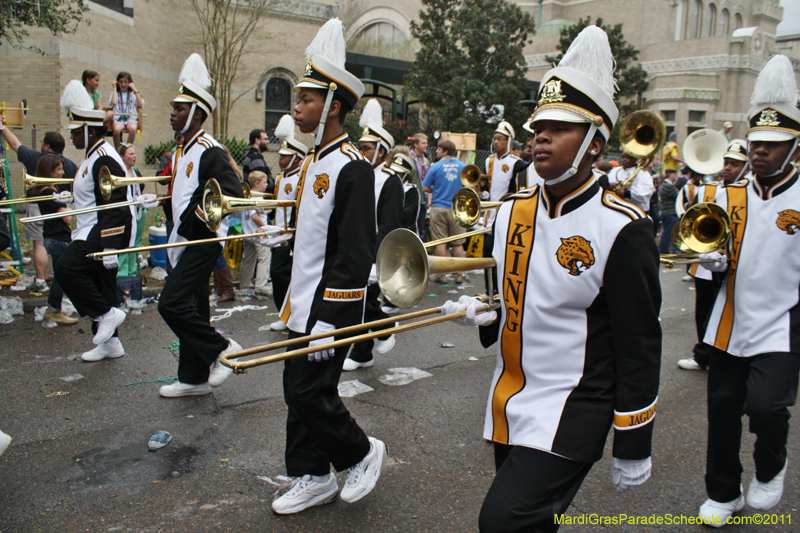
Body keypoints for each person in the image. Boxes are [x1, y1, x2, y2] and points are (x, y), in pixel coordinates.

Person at [442, 26, 661, 532]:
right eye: (538, 125)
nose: (540, 135)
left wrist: (633, 438)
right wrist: (487, 312)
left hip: (575, 405)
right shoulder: (511, 211)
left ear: (594, 143)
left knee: (502, 522)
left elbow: (641, 343)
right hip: (510, 396)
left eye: (559, 127)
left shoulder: (623, 227)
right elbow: (512, 298)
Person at [270, 18, 386, 514]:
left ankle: (361, 452)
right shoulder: (313, 161)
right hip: (302, 301)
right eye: (297, 98)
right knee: (295, 393)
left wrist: (327, 319)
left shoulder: (352, 166)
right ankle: (311, 475)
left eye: (306, 99)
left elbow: (355, 254)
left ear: (333, 106)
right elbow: (316, 236)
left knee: (309, 391)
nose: (297, 107)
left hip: (331, 307)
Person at [695, 54, 800, 526]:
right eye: (756, 142)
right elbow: (710, 252)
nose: (760, 151)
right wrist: (712, 261)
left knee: (767, 407)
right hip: (729, 321)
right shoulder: (726, 195)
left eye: (773, 145)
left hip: (782, 324)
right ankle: (723, 492)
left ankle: (771, 465)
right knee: (721, 412)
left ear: (795, 147)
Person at [156, 54, 244, 398]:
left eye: (179, 108)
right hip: (181, 240)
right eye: (174, 107)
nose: (173, 113)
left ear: (196, 113)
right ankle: (193, 378)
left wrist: (194, 221)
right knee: (193, 308)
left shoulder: (210, 149)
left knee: (171, 304)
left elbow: (230, 193)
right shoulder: (181, 152)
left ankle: (223, 348)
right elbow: (184, 195)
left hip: (202, 242)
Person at [53, 80, 142, 362]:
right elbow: (92, 195)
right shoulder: (91, 157)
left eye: (77, 132)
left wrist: (111, 246)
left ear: (90, 131)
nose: (73, 138)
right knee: (102, 284)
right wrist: (70, 198)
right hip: (90, 227)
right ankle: (111, 344)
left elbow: (117, 203)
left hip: (101, 230)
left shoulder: (104, 157)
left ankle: (106, 314)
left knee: (67, 269)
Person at [677, 140, 750, 372]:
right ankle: (703, 355)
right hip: (710, 260)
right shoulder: (706, 190)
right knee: (704, 309)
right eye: (726, 163)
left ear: (746, 168)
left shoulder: (750, 194)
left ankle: (728, 355)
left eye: (735, 164)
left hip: (738, 262)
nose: (728, 168)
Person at [344, 100, 403, 371]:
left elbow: (390, 224)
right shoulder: (360, 173)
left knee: (363, 300)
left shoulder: (390, 179)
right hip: (356, 245)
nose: (361, 151)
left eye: (366, 147)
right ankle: (365, 350)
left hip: (375, 249)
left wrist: (377, 259)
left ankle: (382, 329)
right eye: (360, 146)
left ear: (381, 151)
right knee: (357, 300)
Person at [0, 122, 77, 291]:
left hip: (40, 206)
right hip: (62, 208)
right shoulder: (71, 165)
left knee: (40, 245)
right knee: (58, 245)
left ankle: (41, 281)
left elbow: (14, 144)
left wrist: (3, 127)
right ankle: (59, 284)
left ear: (46, 146)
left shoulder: (37, 158)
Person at [265, 114, 308, 332]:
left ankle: (291, 315)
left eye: (285, 157)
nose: (280, 159)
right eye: (281, 156)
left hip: (291, 236)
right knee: (278, 276)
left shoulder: (301, 178)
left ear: (297, 159)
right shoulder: (281, 178)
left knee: (288, 277)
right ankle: (285, 313)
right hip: (278, 235)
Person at [482, 121, 527, 294]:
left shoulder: (518, 163)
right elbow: (485, 183)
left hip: (506, 214)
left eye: (500, 139)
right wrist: (484, 192)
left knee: (503, 257)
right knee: (487, 256)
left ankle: (502, 291)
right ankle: (489, 291)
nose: (496, 142)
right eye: (494, 139)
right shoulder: (488, 161)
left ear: (508, 141)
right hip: (488, 216)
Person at [32, 155, 78, 325]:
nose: (62, 172)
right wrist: (69, 208)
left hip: (54, 238)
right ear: (50, 172)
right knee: (63, 276)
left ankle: (54, 308)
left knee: (62, 274)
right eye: (59, 169)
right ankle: (54, 310)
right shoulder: (49, 192)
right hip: (58, 238)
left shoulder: (47, 192)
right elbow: (66, 218)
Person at [423, 140, 467, 283]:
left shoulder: (435, 166)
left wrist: (435, 189)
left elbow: (424, 188)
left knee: (440, 242)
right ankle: (460, 274)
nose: (436, 151)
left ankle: (442, 275)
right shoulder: (463, 167)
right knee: (458, 243)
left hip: (438, 207)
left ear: (445, 151)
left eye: (439, 149)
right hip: (457, 208)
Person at [116, 144, 146, 295]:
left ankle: (132, 274)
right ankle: (122, 275)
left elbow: (141, 186)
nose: (134, 156)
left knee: (135, 244)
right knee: (125, 243)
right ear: (122, 156)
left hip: (139, 211)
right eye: (130, 154)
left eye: (135, 153)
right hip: (126, 213)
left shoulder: (135, 171)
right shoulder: (120, 171)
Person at [239, 170, 272, 296]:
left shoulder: (247, 196)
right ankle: (261, 286)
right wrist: (266, 229)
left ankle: (244, 284)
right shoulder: (256, 196)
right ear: (257, 183)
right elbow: (254, 216)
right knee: (264, 257)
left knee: (248, 259)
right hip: (259, 233)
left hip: (248, 233)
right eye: (264, 182)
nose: (267, 184)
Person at [108, 72, 145, 151]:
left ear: (129, 83)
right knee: (116, 130)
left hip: (130, 119)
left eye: (125, 82)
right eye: (121, 82)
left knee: (133, 128)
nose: (123, 84)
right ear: (118, 82)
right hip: (119, 120)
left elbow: (140, 104)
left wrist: (135, 89)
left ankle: (127, 149)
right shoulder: (115, 93)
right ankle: (118, 150)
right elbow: (114, 102)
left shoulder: (132, 94)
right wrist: (114, 88)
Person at [408, 133, 430, 241]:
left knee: (420, 229)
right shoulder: (409, 158)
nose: (426, 145)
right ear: (416, 144)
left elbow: (430, 181)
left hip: (423, 201)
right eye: (423, 143)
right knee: (410, 228)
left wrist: (430, 197)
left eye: (426, 143)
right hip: (411, 200)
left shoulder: (426, 161)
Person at [658, 168, 680, 254]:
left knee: (668, 233)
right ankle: (663, 252)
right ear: (670, 174)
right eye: (675, 173)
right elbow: (677, 195)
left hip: (670, 212)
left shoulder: (668, 185)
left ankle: (664, 251)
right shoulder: (667, 186)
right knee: (667, 234)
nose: (676, 175)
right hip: (669, 212)